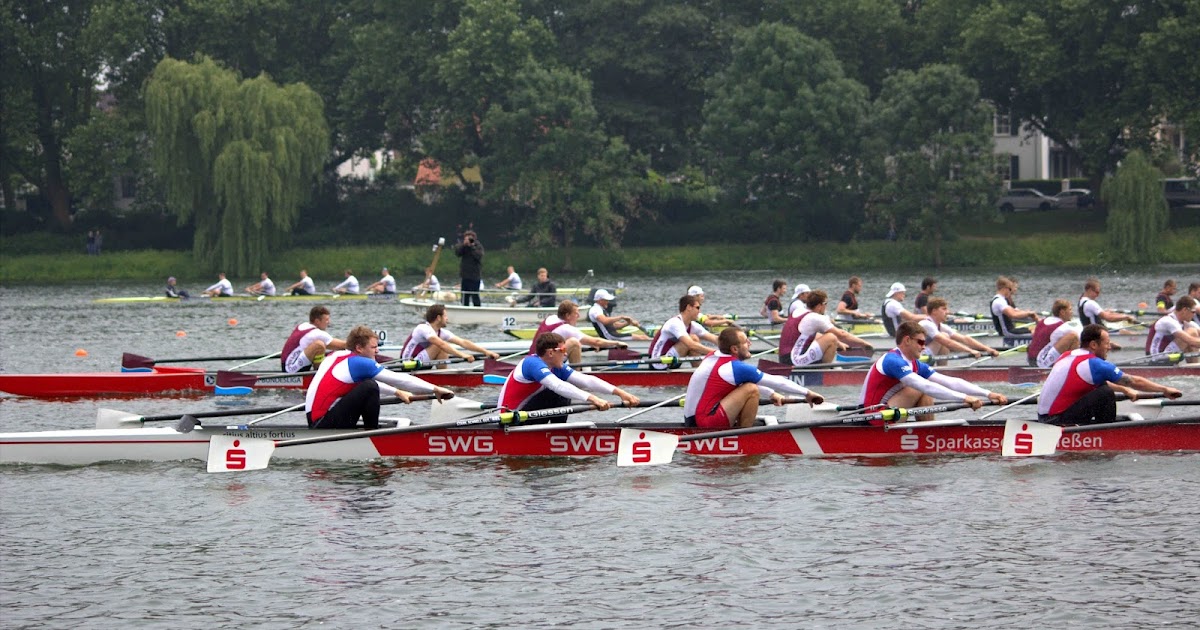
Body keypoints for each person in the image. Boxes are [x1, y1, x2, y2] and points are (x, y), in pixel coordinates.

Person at [305, 325, 454, 430]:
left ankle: (370, 431)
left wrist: (397, 393)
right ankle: (373, 433)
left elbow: (364, 382)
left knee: (368, 384)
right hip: (322, 423)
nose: (377, 351)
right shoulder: (358, 363)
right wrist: (435, 389)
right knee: (370, 387)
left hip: (316, 418)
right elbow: (399, 379)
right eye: (373, 347)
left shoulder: (336, 355)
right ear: (359, 348)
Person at [859, 322, 1007, 422]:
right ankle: (928, 436)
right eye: (921, 342)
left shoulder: (915, 364)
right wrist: (964, 398)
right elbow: (926, 386)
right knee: (921, 386)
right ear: (907, 340)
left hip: (889, 412)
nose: (924, 347)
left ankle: (928, 434)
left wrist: (987, 394)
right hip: (872, 416)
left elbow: (950, 381)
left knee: (925, 388)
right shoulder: (893, 360)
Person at [1037, 324, 1182, 426]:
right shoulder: (1095, 364)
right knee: (1105, 393)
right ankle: (1106, 431)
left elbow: (1101, 381)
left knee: (1102, 386)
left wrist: (1125, 391)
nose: (1110, 347)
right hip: (1056, 421)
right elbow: (1133, 381)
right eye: (1107, 343)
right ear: (1094, 345)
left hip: (1045, 417)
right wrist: (1164, 389)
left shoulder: (1068, 355)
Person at [685, 327, 826, 428]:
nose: (750, 344)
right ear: (734, 349)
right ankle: (745, 436)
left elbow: (746, 380)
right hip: (705, 422)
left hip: (692, 419)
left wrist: (771, 394)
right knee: (751, 390)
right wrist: (807, 393)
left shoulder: (713, 356)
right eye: (746, 342)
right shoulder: (736, 368)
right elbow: (777, 381)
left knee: (746, 385)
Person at [497, 332, 640, 424]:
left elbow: (586, 380)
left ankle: (557, 432)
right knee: (558, 391)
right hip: (510, 419)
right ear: (551, 353)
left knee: (564, 388)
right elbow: (557, 386)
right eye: (563, 351)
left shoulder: (556, 366)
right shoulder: (531, 363)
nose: (566, 355)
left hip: (527, 416)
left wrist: (621, 393)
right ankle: (556, 433)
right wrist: (593, 399)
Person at [789, 290, 874, 366]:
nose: (826, 306)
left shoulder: (798, 311)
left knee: (823, 336)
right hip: (795, 360)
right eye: (825, 304)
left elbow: (815, 336)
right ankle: (825, 372)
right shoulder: (816, 318)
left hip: (786, 357)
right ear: (819, 306)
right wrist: (864, 343)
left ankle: (827, 367)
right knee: (832, 337)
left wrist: (839, 343)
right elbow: (842, 334)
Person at [528, 300, 629, 362]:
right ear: (567, 315)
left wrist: (591, 344)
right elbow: (596, 341)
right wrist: (617, 343)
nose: (578, 316)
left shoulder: (551, 318)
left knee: (576, 342)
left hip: (534, 357)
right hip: (543, 362)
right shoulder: (566, 328)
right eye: (576, 313)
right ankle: (577, 373)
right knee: (575, 343)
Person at [400, 304, 501, 364]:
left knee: (443, 347)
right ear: (438, 318)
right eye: (445, 316)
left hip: (420, 361)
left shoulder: (441, 332)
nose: (447, 319)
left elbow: (463, 342)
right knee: (440, 345)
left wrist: (486, 352)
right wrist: (463, 355)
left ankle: (442, 376)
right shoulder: (423, 328)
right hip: (408, 363)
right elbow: (441, 344)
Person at [649, 295, 718, 370]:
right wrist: (716, 353)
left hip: (671, 360)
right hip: (658, 362)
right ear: (689, 307)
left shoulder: (692, 325)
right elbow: (691, 345)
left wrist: (729, 346)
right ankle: (700, 373)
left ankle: (699, 372)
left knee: (693, 339)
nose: (699, 311)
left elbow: (714, 338)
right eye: (697, 308)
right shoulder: (675, 323)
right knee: (692, 339)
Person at [920, 297, 999, 361]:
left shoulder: (941, 326)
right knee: (945, 336)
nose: (947, 312)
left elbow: (965, 339)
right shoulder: (927, 324)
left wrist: (988, 349)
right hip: (917, 359)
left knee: (945, 336)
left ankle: (943, 371)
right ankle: (940, 373)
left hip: (926, 356)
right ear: (934, 311)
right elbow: (948, 343)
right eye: (944, 309)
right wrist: (970, 351)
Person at [281, 305, 347, 373]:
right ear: (317, 321)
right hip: (290, 369)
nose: (329, 322)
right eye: (326, 320)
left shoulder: (303, 325)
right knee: (319, 345)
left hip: (288, 364)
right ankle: (318, 374)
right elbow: (343, 345)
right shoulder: (316, 333)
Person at [1026, 299, 1080, 368]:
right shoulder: (1062, 326)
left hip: (1031, 359)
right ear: (1062, 312)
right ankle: (1073, 368)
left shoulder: (1043, 321)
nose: (1072, 312)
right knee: (1074, 337)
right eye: (1070, 310)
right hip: (1040, 362)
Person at [1146, 295, 1200, 360]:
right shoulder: (1168, 321)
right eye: (1193, 312)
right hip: (1157, 357)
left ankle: (1194, 367)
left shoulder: (1187, 323)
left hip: (1169, 356)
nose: (1194, 315)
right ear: (1184, 310)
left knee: (1194, 332)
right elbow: (1190, 341)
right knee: (1192, 332)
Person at [587, 289, 651, 341]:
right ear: (600, 300)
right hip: (610, 337)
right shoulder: (595, 310)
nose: (608, 302)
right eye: (606, 300)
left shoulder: (601, 310)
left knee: (644, 337)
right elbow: (605, 321)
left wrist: (628, 322)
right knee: (643, 338)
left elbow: (615, 326)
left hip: (614, 335)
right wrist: (621, 317)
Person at [778, 283, 814, 361]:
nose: (809, 296)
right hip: (794, 335)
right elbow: (806, 317)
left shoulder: (800, 303)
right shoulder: (797, 304)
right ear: (801, 295)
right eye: (807, 293)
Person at [454, 229, 484, 306]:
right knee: (464, 296)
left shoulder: (478, 246)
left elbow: (478, 256)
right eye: (466, 238)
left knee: (475, 296)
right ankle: (464, 308)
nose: (468, 240)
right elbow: (457, 253)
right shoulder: (463, 246)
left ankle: (477, 310)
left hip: (475, 276)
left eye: (470, 238)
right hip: (465, 276)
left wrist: (472, 246)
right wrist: (464, 245)